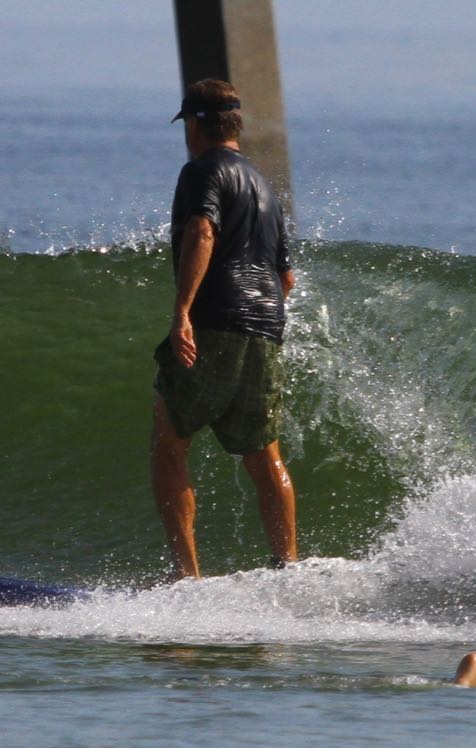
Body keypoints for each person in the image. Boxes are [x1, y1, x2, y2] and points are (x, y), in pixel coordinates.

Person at [151, 78, 297, 581]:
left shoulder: (201, 171)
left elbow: (203, 229)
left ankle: (185, 576)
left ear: (195, 124)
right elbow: (286, 277)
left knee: (170, 443)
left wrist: (183, 310)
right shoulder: (263, 185)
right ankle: (287, 567)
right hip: (266, 326)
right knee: (263, 454)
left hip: (216, 317)